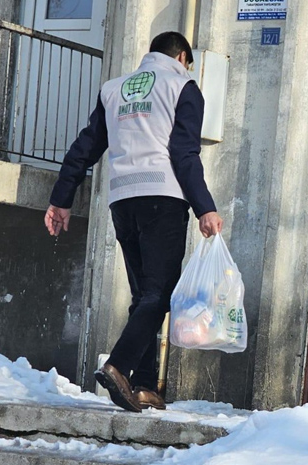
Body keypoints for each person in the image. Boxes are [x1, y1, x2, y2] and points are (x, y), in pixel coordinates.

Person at [44, 32, 223, 413]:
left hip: (123, 199)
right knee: (159, 293)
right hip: (163, 196)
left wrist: (62, 198)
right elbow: (184, 153)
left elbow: (86, 145)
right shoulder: (183, 85)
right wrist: (204, 207)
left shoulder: (114, 89)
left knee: (146, 295)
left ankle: (144, 387)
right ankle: (119, 367)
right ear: (182, 56)